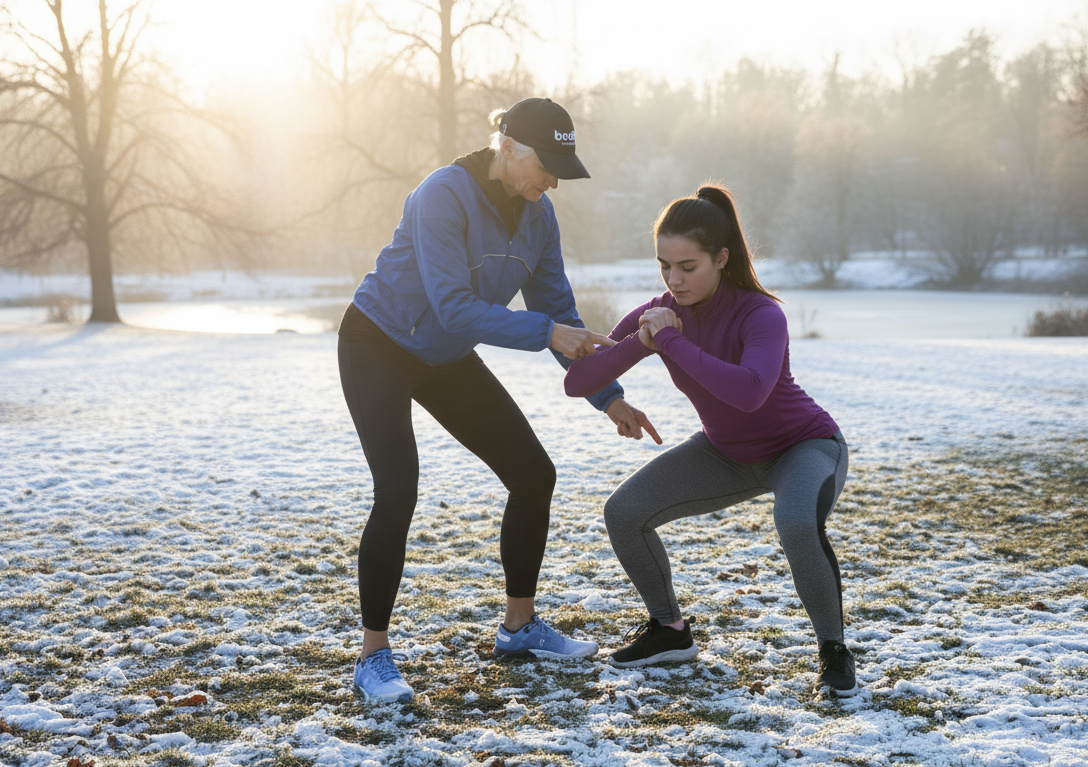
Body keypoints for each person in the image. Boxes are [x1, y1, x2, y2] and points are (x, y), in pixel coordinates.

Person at [338, 98, 661, 703]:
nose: (553, 182)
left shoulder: (540, 217)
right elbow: (453, 306)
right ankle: (372, 656)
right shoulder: (442, 194)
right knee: (398, 487)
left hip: (445, 355)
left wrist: (609, 397)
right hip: (378, 342)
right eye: (547, 166)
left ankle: (518, 628)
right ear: (508, 147)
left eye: (562, 171)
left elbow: (558, 310)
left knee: (533, 474)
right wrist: (547, 333)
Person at [564, 184, 857, 697]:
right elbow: (578, 381)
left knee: (795, 522)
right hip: (726, 454)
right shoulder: (658, 312)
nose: (674, 280)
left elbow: (749, 392)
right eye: (664, 267)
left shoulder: (761, 314)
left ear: (721, 258)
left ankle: (834, 650)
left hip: (805, 447)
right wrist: (641, 341)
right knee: (624, 512)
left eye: (688, 266)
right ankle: (669, 631)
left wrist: (669, 339)